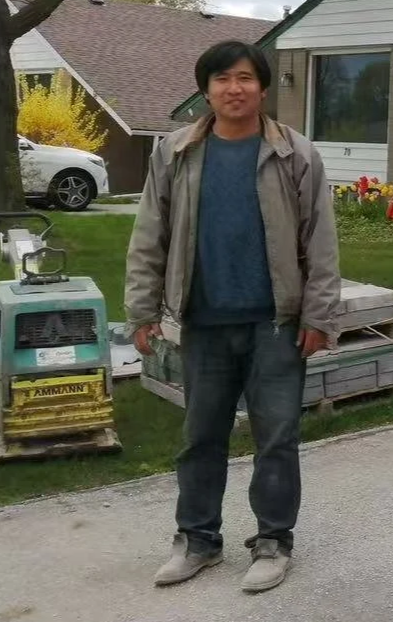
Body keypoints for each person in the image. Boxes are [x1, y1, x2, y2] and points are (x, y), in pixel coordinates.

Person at [124, 40, 340, 593]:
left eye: (245, 77)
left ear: (262, 87)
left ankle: (272, 542)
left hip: (276, 323)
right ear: (206, 89)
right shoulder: (175, 153)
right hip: (205, 321)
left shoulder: (295, 154)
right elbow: (149, 235)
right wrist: (142, 310)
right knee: (200, 436)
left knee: (276, 437)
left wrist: (319, 315)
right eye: (221, 79)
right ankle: (197, 540)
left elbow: (321, 243)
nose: (234, 88)